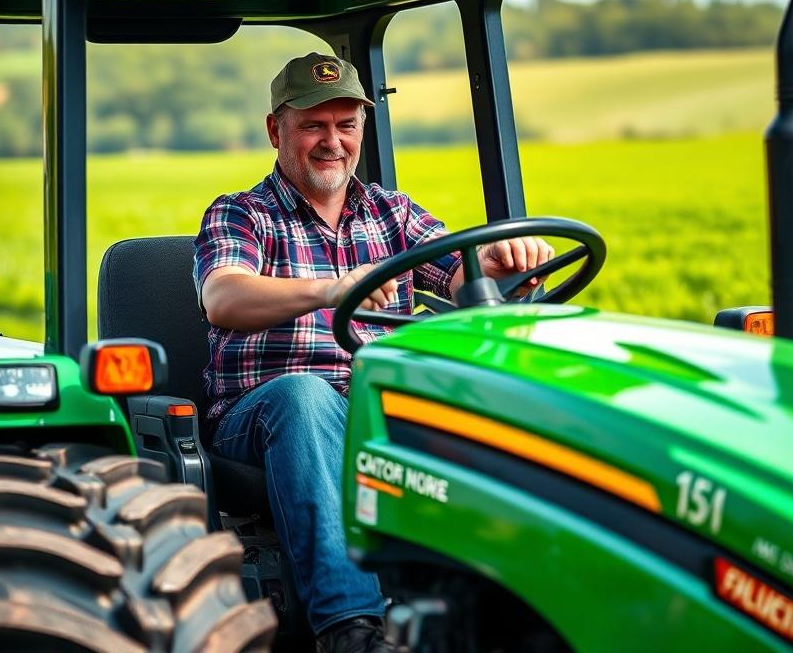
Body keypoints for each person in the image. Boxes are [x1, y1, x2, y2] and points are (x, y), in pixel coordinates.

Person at [194, 53, 551, 653]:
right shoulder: (242, 213)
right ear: (275, 131)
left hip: (376, 409)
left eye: (346, 125)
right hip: (260, 417)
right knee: (305, 397)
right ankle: (351, 630)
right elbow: (223, 295)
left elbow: (462, 275)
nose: (332, 141)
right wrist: (328, 289)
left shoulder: (392, 213)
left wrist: (504, 264)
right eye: (313, 125)